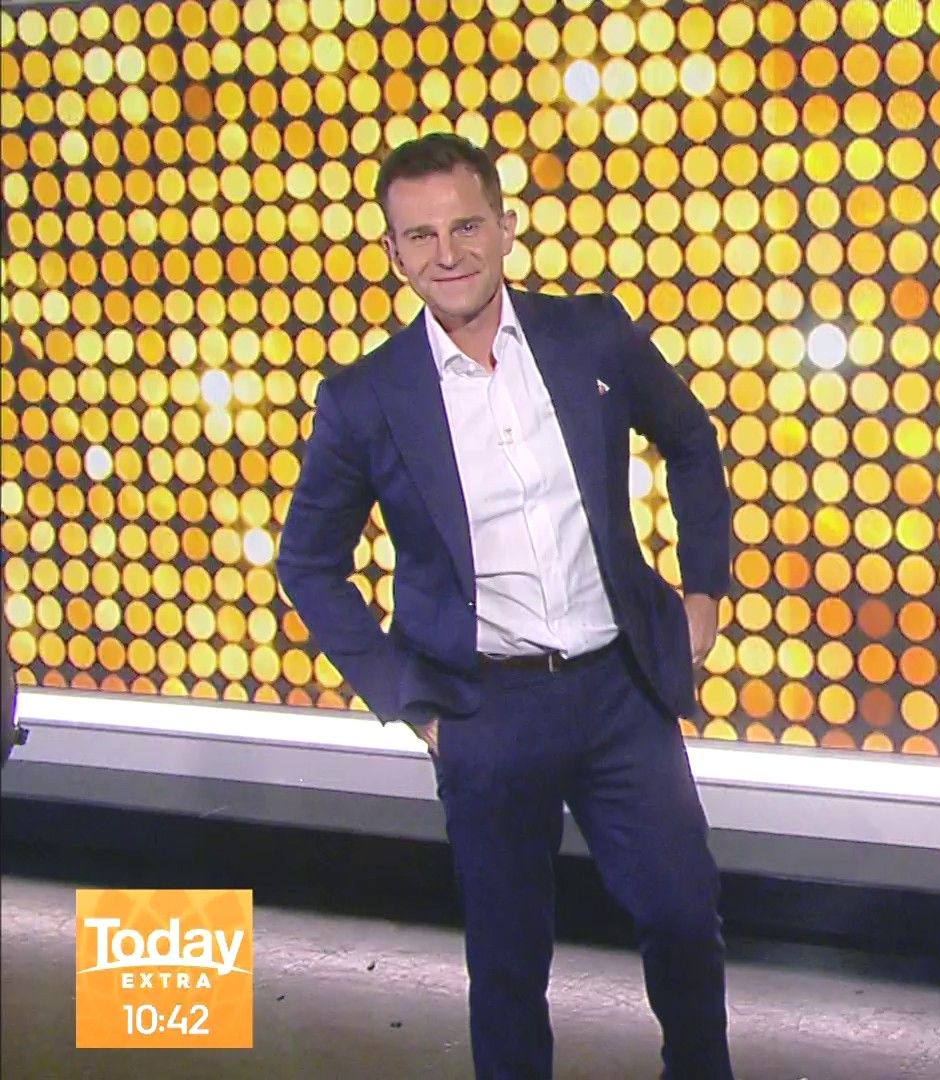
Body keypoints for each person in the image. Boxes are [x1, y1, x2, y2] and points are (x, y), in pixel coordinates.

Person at [277, 133, 734, 1080]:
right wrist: (411, 702)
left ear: (506, 228)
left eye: (466, 226)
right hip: (483, 708)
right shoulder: (365, 398)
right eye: (421, 236)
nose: (448, 253)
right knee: (509, 966)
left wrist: (704, 594)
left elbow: (691, 441)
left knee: (685, 917)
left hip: (621, 692)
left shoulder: (589, 334)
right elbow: (309, 564)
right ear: (394, 253)